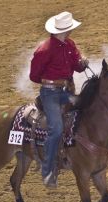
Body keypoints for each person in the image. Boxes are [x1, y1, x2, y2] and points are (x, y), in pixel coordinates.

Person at [29, 11, 88, 188]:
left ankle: (76, 154)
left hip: (66, 90)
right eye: (70, 29)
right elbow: (34, 76)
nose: (71, 32)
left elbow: (77, 67)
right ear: (63, 30)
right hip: (50, 93)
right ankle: (47, 170)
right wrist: (52, 82)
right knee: (56, 128)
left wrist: (82, 63)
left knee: (85, 111)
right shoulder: (44, 50)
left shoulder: (70, 44)